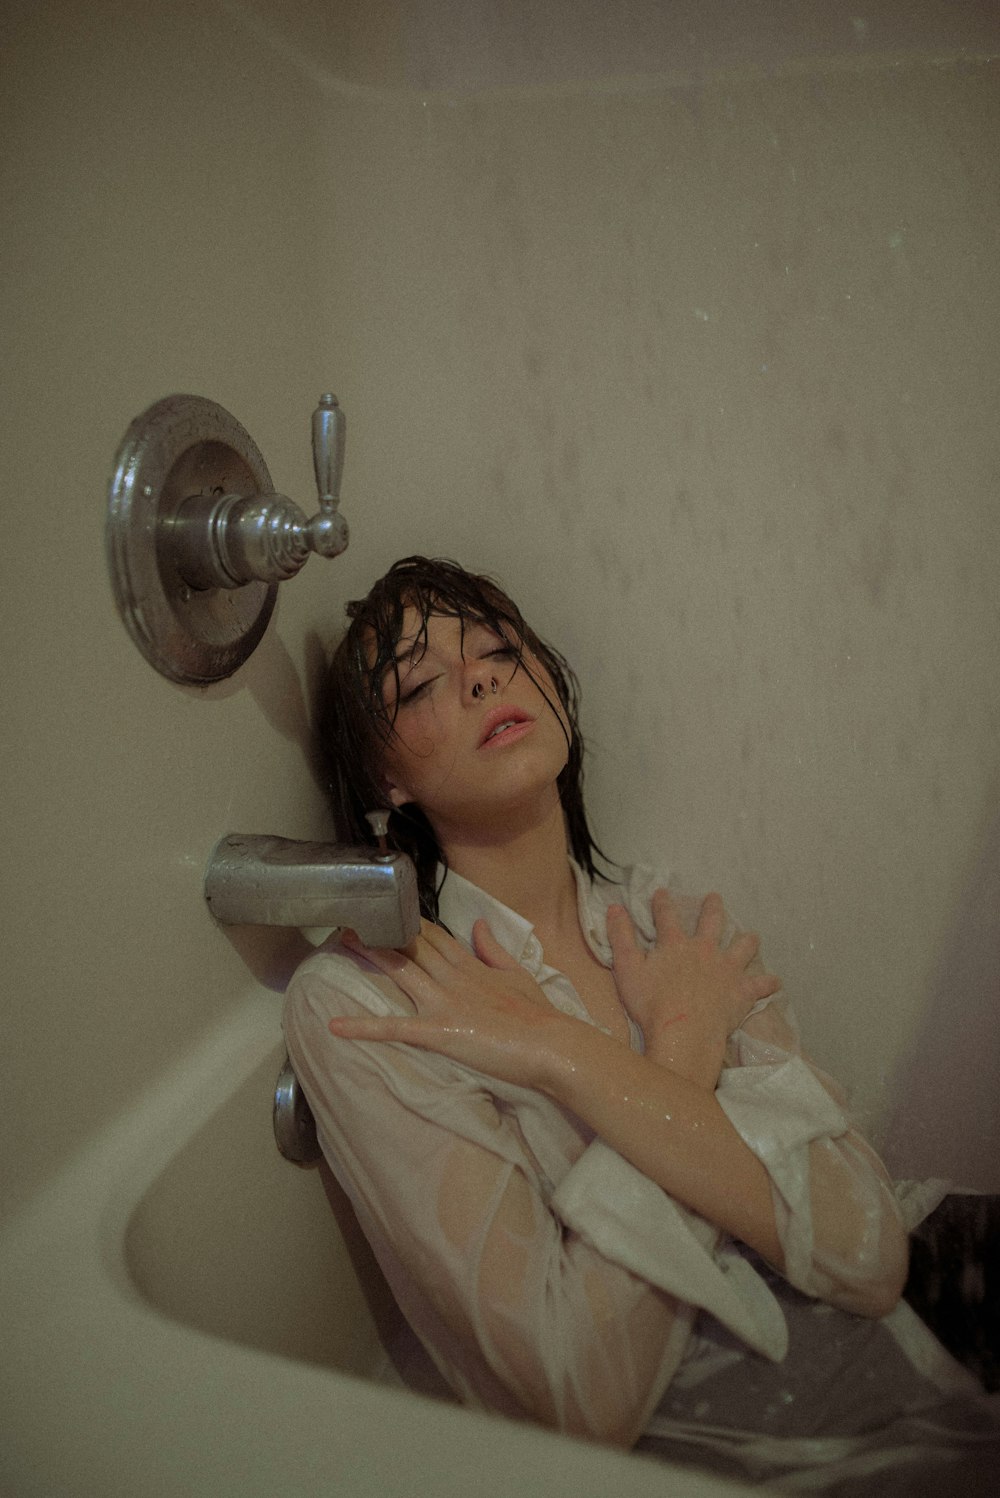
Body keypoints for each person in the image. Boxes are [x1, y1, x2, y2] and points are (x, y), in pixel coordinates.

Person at [283, 556, 998, 1493]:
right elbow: (580, 1395)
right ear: (387, 778)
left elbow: (868, 1252)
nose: (483, 677)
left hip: (908, 1332)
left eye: (499, 647)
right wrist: (679, 1055)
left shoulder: (676, 925)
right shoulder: (373, 1001)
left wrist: (566, 1054)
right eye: (422, 682)